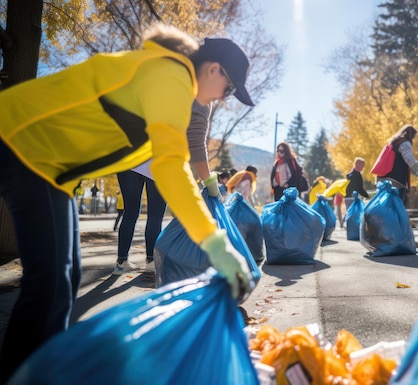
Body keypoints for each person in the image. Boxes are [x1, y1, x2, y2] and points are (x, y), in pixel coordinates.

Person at [0, 23, 255, 380]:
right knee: (50, 284)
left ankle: (41, 372)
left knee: (65, 279)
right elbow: (171, 165)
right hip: (23, 142)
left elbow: (175, 157)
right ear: (214, 69)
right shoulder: (172, 76)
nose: (221, 97)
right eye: (228, 89)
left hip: (47, 165)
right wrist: (215, 243)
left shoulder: (169, 75)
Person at [113, 97, 214, 275]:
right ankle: (151, 262)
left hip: (129, 157)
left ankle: (121, 263)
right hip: (158, 162)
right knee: (155, 216)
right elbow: (194, 141)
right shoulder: (192, 98)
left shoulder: (158, 87)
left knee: (129, 213)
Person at [375, 124, 418, 203]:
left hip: (383, 178)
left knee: (384, 205)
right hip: (396, 181)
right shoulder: (404, 144)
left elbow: (407, 166)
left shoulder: (393, 143)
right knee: (398, 206)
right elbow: (411, 162)